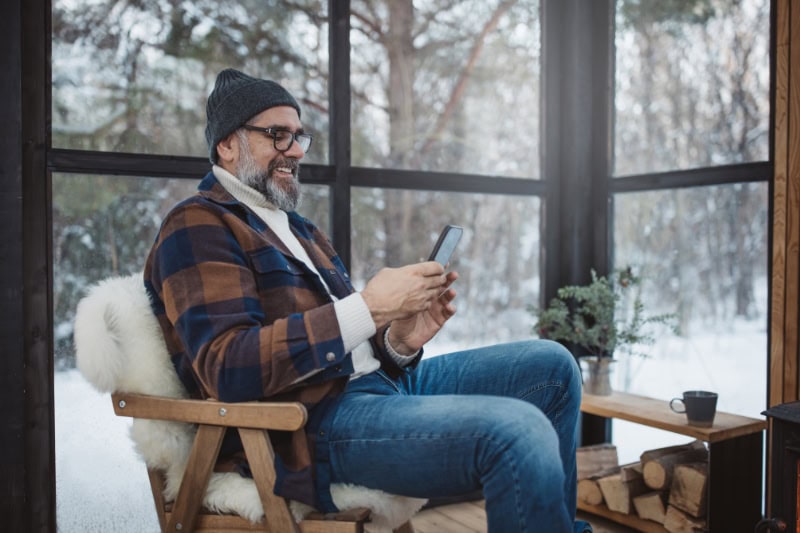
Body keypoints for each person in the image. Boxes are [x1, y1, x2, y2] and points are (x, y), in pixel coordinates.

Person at [144, 68, 592, 533]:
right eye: (277, 135)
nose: (295, 150)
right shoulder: (197, 225)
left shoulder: (299, 229)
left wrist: (398, 341)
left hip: (381, 388)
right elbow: (227, 366)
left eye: (299, 136)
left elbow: (352, 345)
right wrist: (371, 308)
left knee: (553, 367)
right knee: (516, 430)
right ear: (227, 145)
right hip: (315, 421)